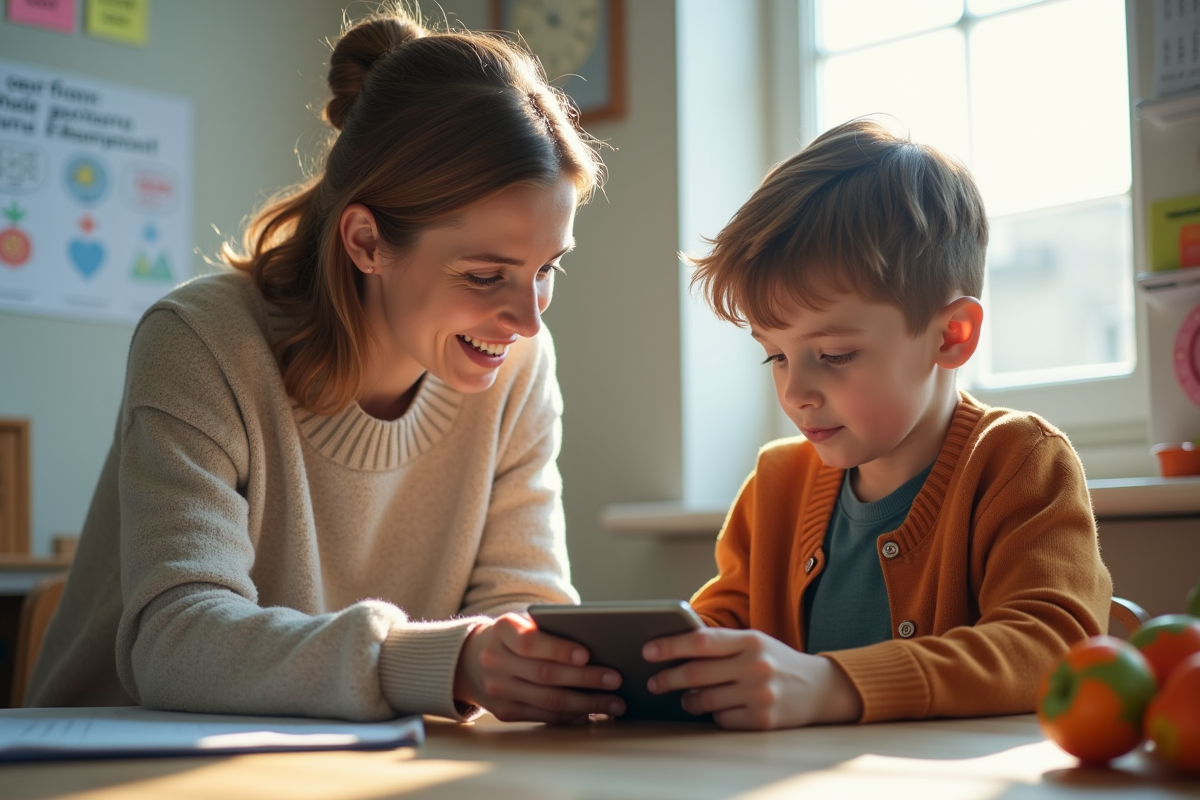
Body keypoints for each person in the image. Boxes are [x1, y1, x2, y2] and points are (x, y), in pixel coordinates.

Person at [27, 9, 627, 724]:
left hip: (350, 760)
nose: (529, 319)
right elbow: (174, 639)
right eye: (485, 275)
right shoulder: (201, 341)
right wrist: (441, 663)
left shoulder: (519, 364)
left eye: (546, 269)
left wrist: (528, 663)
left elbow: (520, 607)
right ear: (367, 240)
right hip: (114, 760)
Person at [641, 119, 1113, 730]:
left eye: (834, 355)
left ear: (951, 336)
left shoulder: (1019, 461)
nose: (795, 391)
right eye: (775, 356)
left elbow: (1054, 648)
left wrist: (836, 685)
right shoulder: (776, 484)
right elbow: (724, 626)